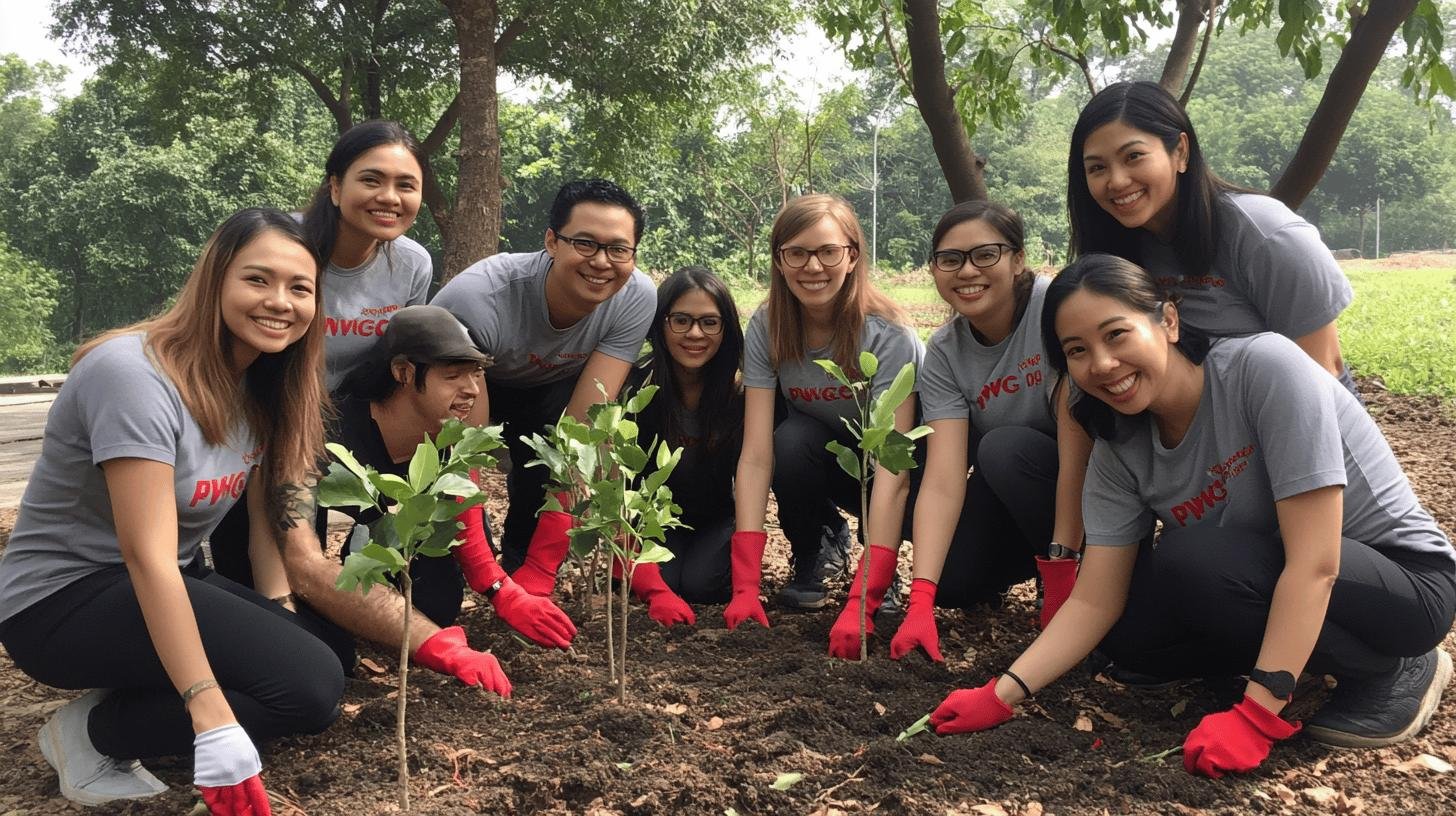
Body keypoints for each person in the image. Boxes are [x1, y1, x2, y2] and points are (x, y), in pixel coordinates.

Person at [929, 254, 1455, 780]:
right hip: (1262, 572)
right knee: (1132, 641)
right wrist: (1001, 694)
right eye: (1077, 351)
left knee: (1194, 557)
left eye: (1117, 334)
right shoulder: (1119, 445)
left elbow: (1316, 563)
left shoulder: (1262, 368)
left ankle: (1393, 666)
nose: (1103, 364)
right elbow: (1095, 598)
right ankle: (1289, 660)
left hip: (1401, 582)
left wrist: (1256, 719)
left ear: (1169, 321)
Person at [0, 209, 343, 812]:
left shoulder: (261, 384)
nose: (280, 302)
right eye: (257, 280)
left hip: (155, 580)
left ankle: (132, 693)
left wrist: (279, 615)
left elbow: (263, 524)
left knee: (319, 655)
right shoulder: (134, 373)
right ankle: (92, 734)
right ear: (214, 280)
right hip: (59, 600)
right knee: (309, 690)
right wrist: (208, 710)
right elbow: (146, 554)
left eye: (300, 288)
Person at [279, 305, 577, 660]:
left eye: (476, 374)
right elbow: (297, 557)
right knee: (333, 651)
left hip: (387, 550)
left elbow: (467, 523)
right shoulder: (324, 435)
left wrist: (504, 591)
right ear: (403, 372)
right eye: (453, 376)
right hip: (292, 568)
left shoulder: (450, 436)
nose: (472, 391)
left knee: (438, 603)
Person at [208, 119, 433, 587]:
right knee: (253, 561)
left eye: (405, 185)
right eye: (371, 179)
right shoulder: (280, 243)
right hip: (257, 403)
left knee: (404, 548)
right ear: (335, 186)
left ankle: (359, 568)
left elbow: (394, 362)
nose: (389, 197)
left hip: (342, 415)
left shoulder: (413, 264)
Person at [888, 201, 1091, 665]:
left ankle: (1069, 571)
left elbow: (1077, 447)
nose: (967, 271)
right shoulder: (944, 351)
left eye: (985, 254)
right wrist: (921, 596)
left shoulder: (1055, 311)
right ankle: (1033, 564)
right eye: (950, 259)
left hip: (1094, 488)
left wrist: (1061, 573)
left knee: (1006, 447)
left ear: (1018, 260)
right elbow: (943, 477)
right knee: (953, 582)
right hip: (1016, 497)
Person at [432, 179, 655, 596]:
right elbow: (468, 449)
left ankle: (522, 561)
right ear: (552, 241)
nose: (602, 262)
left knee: (550, 464)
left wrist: (541, 564)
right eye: (585, 243)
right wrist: (486, 574)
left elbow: (583, 430)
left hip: (552, 390)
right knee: (453, 535)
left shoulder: (636, 296)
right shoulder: (480, 298)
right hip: (480, 382)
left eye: (618, 249)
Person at [1068, 81, 1357, 393]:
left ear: (1180, 151)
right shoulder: (1114, 250)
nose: (1117, 180)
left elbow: (1324, 371)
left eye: (1134, 156)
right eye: (1097, 168)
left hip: (1303, 420)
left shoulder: (1268, 236)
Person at [726, 193, 924, 639]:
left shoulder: (887, 334)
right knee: (789, 439)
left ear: (851, 256)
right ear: (779, 261)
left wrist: (866, 593)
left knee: (964, 580)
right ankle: (814, 549)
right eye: (796, 252)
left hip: (901, 472)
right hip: (829, 460)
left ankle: (882, 570)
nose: (812, 267)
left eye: (828, 251)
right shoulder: (768, 327)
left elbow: (893, 464)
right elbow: (756, 454)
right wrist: (746, 585)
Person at [620, 267, 746, 619]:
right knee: (667, 581)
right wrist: (653, 587)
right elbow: (615, 483)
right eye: (681, 320)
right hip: (652, 521)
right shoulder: (635, 388)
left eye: (709, 322)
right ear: (661, 323)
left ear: (726, 329)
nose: (695, 333)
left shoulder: (742, 393)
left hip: (716, 518)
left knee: (701, 585)